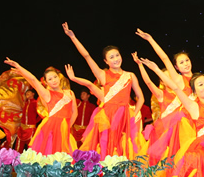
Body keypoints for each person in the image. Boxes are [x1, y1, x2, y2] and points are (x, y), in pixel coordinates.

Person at [62, 23, 145, 158]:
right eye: (111, 57)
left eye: (117, 55)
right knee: (106, 145)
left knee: (123, 147)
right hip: (107, 115)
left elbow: (140, 97)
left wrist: (134, 114)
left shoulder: (130, 75)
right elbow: (87, 56)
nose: (116, 59)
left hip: (125, 115)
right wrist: (73, 37)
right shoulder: (103, 75)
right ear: (106, 61)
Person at [132, 52, 195, 167]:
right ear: (162, 81)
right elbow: (148, 82)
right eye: (165, 77)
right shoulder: (161, 94)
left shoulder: (181, 92)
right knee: (162, 163)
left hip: (179, 131)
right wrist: (140, 65)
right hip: (163, 132)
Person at [4, 59, 78, 155]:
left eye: (55, 77)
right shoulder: (47, 94)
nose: (54, 80)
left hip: (65, 129)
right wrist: (18, 66)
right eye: (50, 79)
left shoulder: (70, 93)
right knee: (50, 155)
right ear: (46, 82)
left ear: (59, 77)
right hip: (51, 128)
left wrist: (67, 127)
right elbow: (33, 80)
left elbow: (75, 113)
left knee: (66, 157)